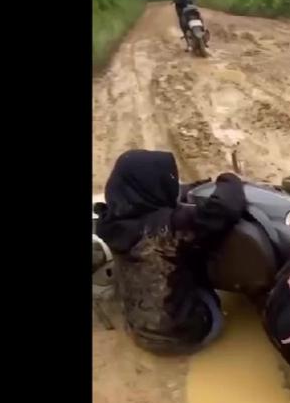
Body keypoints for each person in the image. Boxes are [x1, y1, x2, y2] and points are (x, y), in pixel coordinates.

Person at [95, 150, 246, 355]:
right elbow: (225, 208)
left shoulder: (108, 222)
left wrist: (197, 185)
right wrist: (229, 179)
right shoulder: (172, 224)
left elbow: (168, 195)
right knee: (203, 260)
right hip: (184, 335)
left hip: (138, 331)